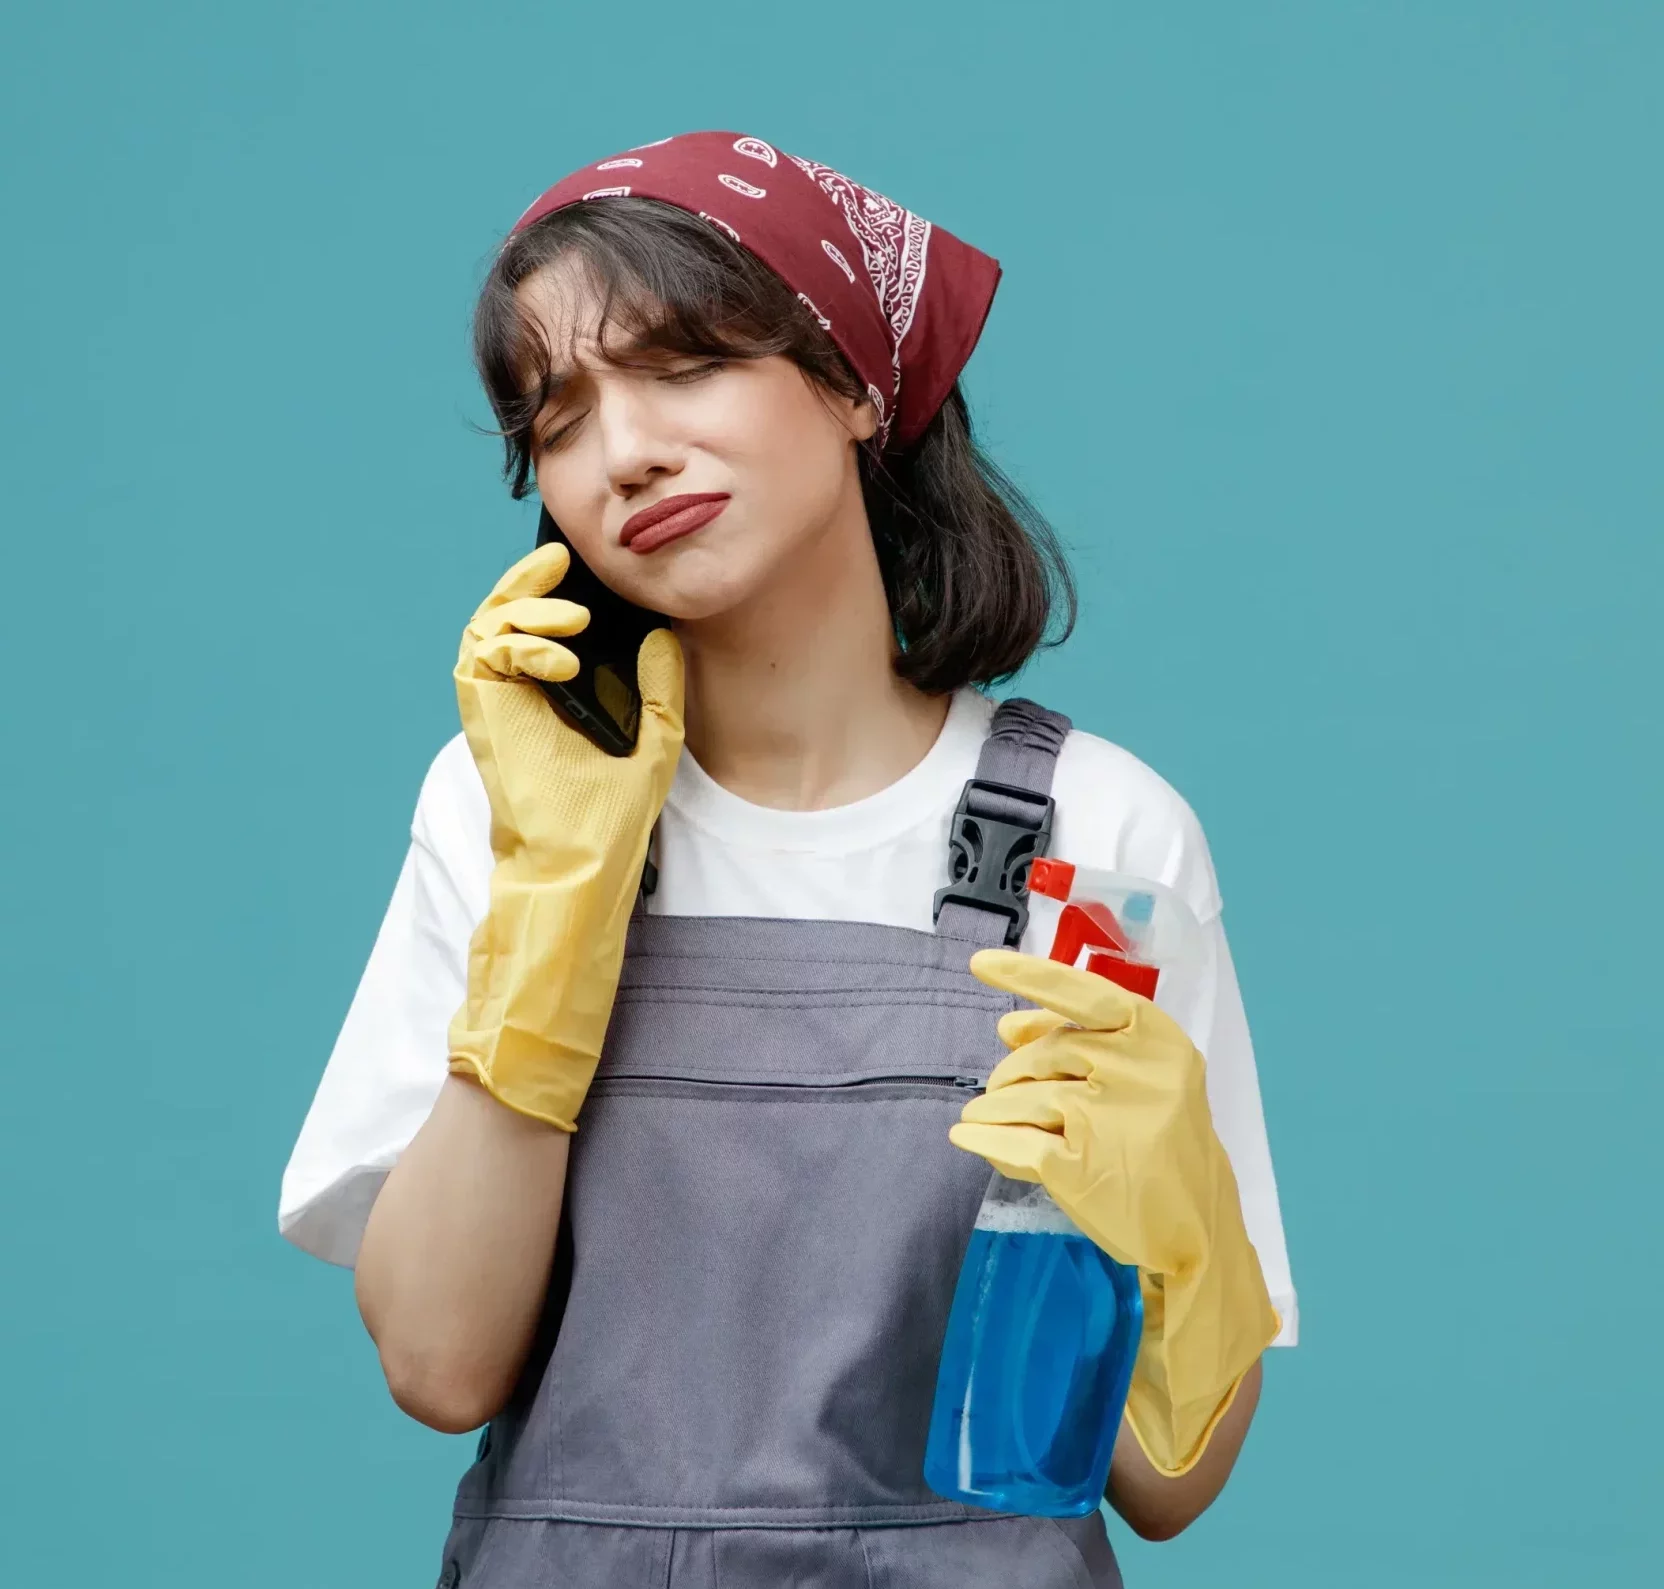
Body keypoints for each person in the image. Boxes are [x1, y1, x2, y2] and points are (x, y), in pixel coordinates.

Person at [279, 130, 1298, 1587]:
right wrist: (561, 898)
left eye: (684, 366)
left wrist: (1176, 1225)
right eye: (558, 420)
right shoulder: (506, 806)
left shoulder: (1099, 831)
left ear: (851, 383)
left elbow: (1161, 1485)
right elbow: (441, 1364)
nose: (624, 451)